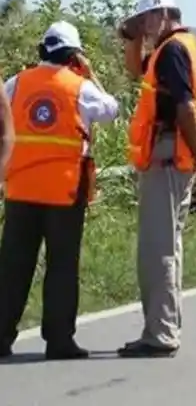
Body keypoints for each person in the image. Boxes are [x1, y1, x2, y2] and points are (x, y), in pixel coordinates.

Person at [0, 21, 119, 359]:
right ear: (73, 56)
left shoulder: (16, 83)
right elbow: (112, 110)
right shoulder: (80, 87)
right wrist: (91, 74)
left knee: (12, 266)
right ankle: (59, 341)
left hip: (20, 190)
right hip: (64, 194)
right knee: (62, 267)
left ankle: (0, 335)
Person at [118, 0, 196, 358]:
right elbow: (136, 70)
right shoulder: (176, 47)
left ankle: (161, 333)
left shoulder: (172, 51)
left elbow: (185, 106)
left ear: (164, 14)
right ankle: (165, 327)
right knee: (168, 245)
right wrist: (132, 37)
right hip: (173, 155)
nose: (145, 26)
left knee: (158, 250)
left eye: (148, 19)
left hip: (168, 154)